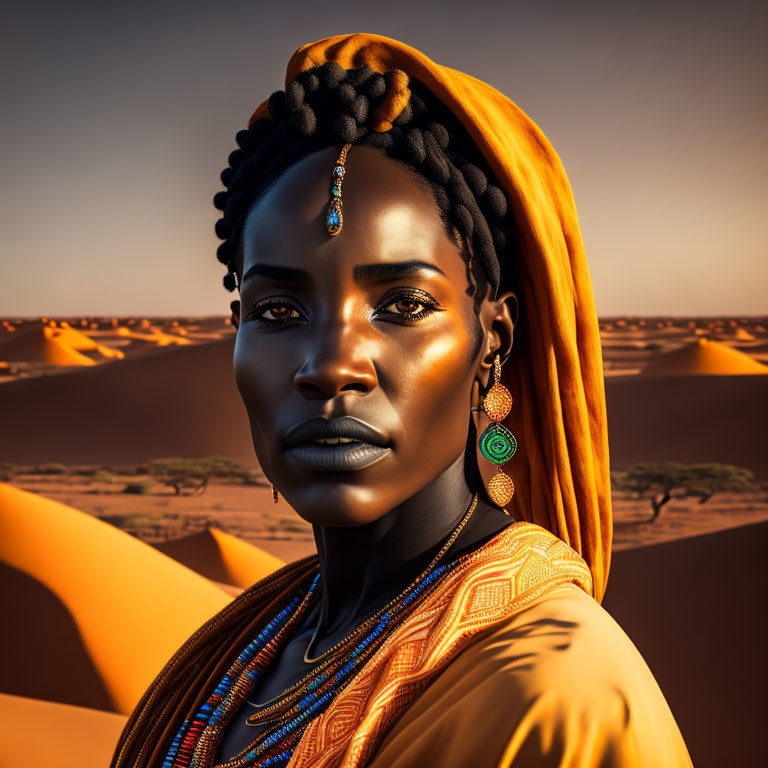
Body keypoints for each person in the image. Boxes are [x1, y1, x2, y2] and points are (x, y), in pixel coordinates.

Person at [111, 33, 693, 768]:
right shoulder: (256, 644)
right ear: (236, 333)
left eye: (404, 305)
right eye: (279, 313)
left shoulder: (557, 704)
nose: (330, 367)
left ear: (494, 340)